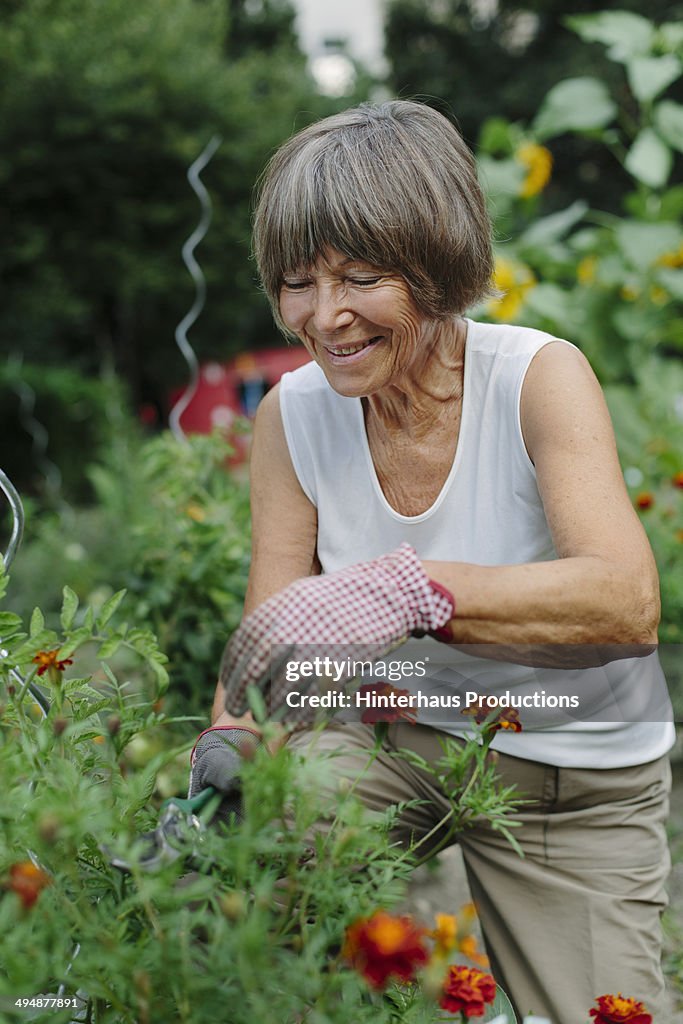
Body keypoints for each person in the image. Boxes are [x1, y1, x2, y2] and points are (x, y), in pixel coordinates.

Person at [189, 101, 674, 1022]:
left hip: (568, 778)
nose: (323, 317)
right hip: (393, 737)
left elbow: (624, 600)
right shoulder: (290, 418)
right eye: (297, 282)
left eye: (360, 277)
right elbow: (274, 636)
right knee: (238, 898)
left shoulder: (535, 377)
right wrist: (232, 741)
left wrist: (408, 589)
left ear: (436, 262)